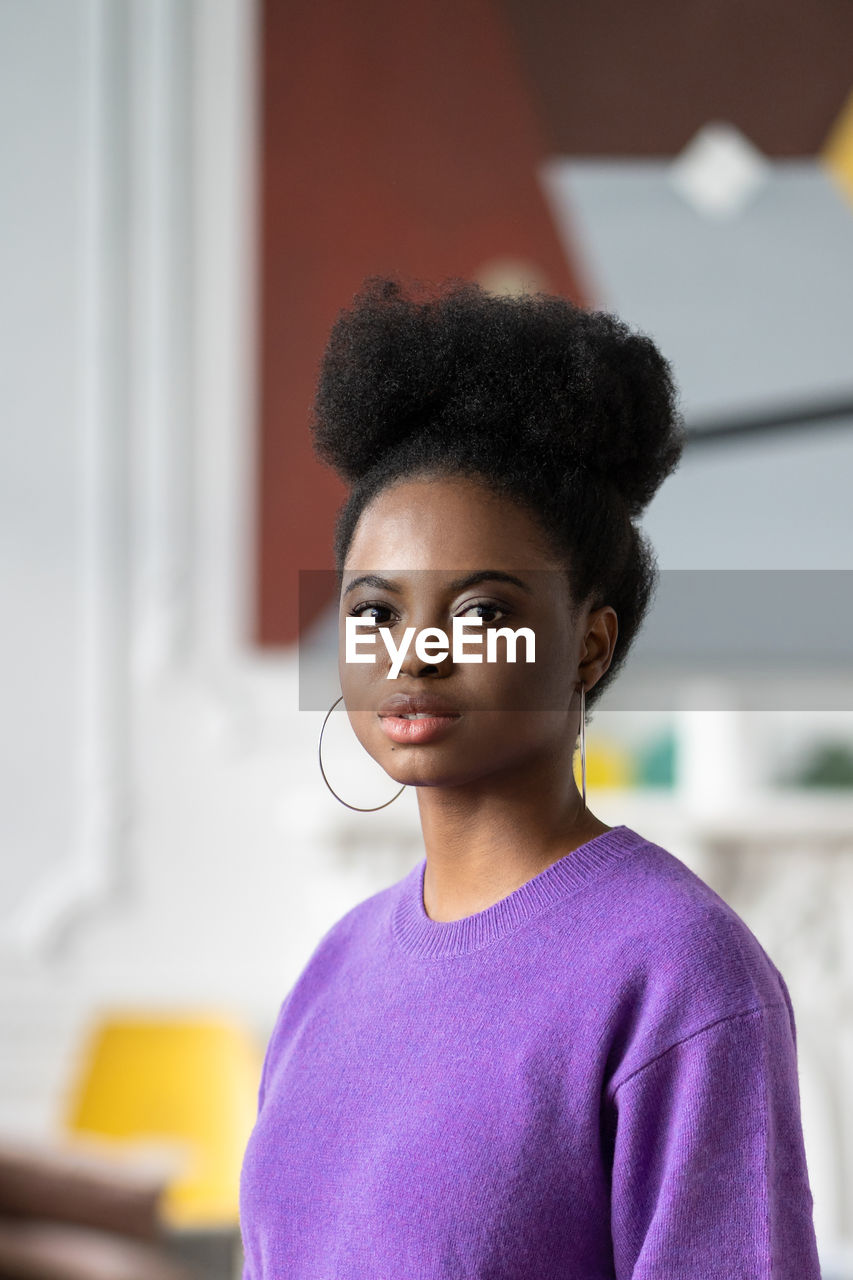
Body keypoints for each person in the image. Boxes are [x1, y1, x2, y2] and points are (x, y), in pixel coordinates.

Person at [239, 276, 821, 1278]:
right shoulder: (334, 966)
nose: (412, 651)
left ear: (589, 644)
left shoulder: (680, 971)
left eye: (479, 610)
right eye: (375, 610)